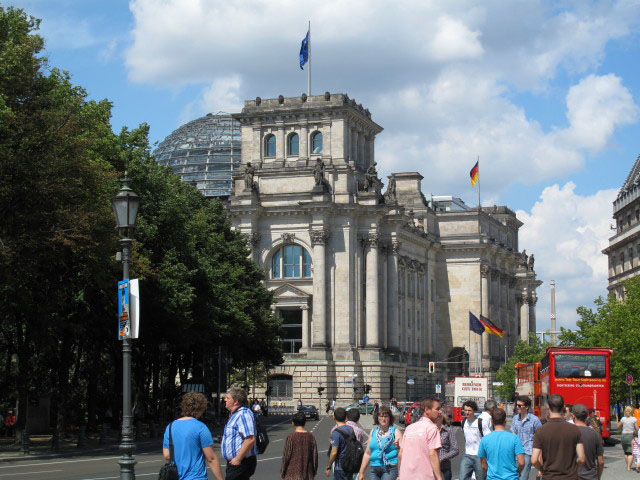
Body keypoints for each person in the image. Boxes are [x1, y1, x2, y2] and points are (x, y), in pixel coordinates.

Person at [162, 392, 224, 480]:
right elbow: (211, 458)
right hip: (196, 477)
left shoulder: (170, 427)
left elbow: (167, 455)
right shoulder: (200, 427)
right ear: (200, 409)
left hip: (176, 476)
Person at [532, 394, 585, 480]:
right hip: (570, 477)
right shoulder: (574, 429)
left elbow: (534, 460)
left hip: (549, 476)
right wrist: (573, 468)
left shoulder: (540, 431)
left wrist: (542, 470)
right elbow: (582, 458)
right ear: (563, 407)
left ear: (548, 407)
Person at [398, 396, 444, 480]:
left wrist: (399, 475)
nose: (440, 412)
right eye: (437, 409)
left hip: (406, 475)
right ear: (427, 410)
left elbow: (400, 454)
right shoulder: (432, 428)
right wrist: (439, 477)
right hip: (425, 476)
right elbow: (432, 454)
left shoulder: (409, 428)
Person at [222, 387, 258, 480]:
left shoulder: (243, 414)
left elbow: (250, 439)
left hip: (241, 462)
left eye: (228, 398)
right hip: (235, 463)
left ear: (236, 402)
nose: (225, 399)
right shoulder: (234, 414)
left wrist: (238, 459)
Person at [477, 407, 524, 480]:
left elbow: (483, 465)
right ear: (505, 420)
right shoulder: (514, 438)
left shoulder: (484, 439)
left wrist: (485, 475)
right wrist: (518, 472)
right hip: (511, 477)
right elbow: (521, 462)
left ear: (491, 420)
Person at [358, 405, 402, 480]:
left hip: (390, 468)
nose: (383, 419)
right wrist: (361, 472)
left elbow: (402, 453)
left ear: (390, 418)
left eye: (386, 416)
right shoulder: (373, 432)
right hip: (374, 468)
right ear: (377, 418)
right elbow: (367, 453)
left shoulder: (395, 431)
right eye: (381, 416)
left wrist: (398, 446)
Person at [510, 395, 542, 480]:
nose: (517, 407)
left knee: (523, 476)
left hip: (528, 451)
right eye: (517, 405)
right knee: (515, 475)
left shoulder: (534, 420)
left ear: (527, 407)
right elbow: (513, 435)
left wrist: (539, 453)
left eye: (520, 405)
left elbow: (540, 435)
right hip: (516, 451)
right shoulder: (515, 419)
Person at [280, 411, 318, 480]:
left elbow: (286, 456)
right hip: (307, 474)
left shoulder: (291, 437)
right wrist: (313, 472)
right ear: (305, 423)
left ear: (293, 423)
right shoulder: (310, 437)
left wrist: (283, 471)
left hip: (292, 474)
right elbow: (314, 457)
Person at [571, 404, 604, 480]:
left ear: (573, 416)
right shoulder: (595, 434)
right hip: (590, 476)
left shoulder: (568, 432)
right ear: (586, 416)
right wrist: (598, 476)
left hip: (573, 475)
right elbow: (601, 462)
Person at [326, 407, 354, 479]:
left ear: (334, 417)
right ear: (345, 417)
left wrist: (328, 466)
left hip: (340, 467)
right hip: (350, 464)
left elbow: (334, 452)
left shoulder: (335, 433)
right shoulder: (351, 429)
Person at [460, 400, 485, 480]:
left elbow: (487, 439)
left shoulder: (480, 422)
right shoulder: (463, 422)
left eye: (469, 410)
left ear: (474, 410)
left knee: (480, 477)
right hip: (467, 454)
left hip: (479, 455)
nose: (467, 412)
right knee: (463, 477)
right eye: (465, 410)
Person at [435, 413, 459, 480]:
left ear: (442, 418)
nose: (437, 418)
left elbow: (456, 450)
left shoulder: (448, 430)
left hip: (444, 468)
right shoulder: (429, 430)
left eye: (439, 416)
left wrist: (442, 458)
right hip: (431, 468)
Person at [618, 405, 638, 471]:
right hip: (630, 436)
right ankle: (629, 467)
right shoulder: (634, 419)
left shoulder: (623, 418)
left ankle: (627, 465)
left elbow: (618, 426)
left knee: (625, 452)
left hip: (623, 436)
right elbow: (637, 428)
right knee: (630, 452)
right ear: (631, 411)